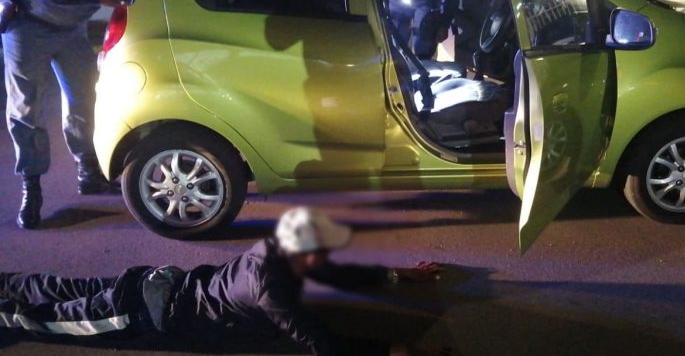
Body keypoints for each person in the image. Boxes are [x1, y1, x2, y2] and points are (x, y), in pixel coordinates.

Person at [0, 207, 443, 355]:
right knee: (50, 318)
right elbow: (319, 342)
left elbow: (332, 270)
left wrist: (395, 273)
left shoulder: (277, 247)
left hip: (150, 283)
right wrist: (392, 351)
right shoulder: (271, 289)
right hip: (141, 311)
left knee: (55, 286)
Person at [1, 0, 144, 229]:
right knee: (26, 109)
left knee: (85, 97)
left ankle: (88, 171)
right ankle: (31, 185)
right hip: (28, 25)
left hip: (71, 30)